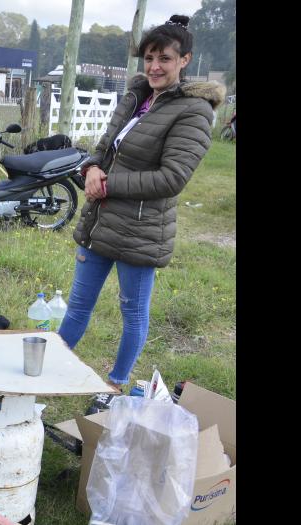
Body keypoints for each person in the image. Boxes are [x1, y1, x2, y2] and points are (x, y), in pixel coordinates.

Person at [58, 15, 225, 409]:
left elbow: (172, 178)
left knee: (133, 313)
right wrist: (93, 168)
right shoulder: (136, 95)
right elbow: (105, 144)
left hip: (140, 229)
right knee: (79, 303)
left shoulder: (194, 111)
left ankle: (114, 385)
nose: (154, 66)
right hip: (101, 222)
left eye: (164, 58)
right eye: (149, 57)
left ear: (184, 60)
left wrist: (110, 184)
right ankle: (52, 366)